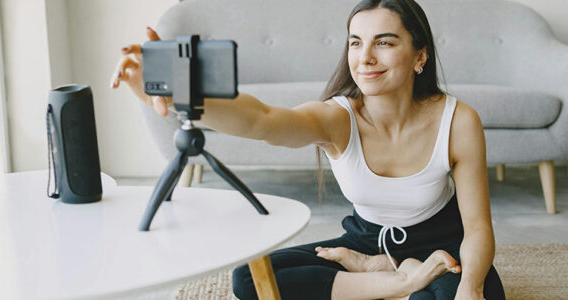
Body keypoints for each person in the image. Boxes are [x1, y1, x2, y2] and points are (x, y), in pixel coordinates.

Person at [112, 0, 505, 299]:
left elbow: (477, 228)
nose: (365, 57)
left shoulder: (458, 120)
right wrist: (185, 96)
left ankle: (397, 276)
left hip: (443, 245)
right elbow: (261, 119)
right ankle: (389, 276)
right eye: (356, 43)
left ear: (420, 56)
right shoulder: (338, 118)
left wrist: (470, 288)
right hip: (364, 242)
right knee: (250, 279)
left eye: (383, 43)